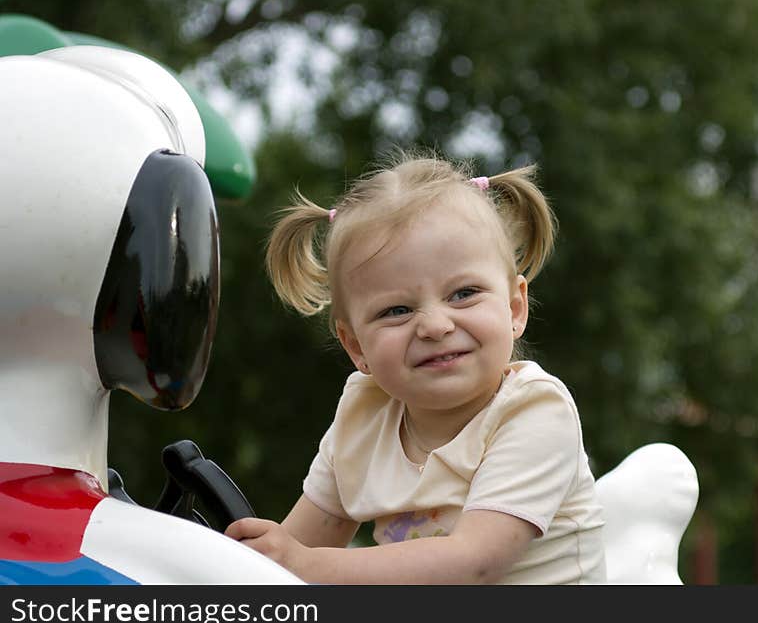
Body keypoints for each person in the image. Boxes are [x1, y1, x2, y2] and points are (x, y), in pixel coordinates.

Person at [225, 151, 606, 584]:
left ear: (515, 308)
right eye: (397, 309)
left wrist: (304, 565)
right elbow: (298, 551)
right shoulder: (362, 418)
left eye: (463, 293)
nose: (435, 325)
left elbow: (474, 562)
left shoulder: (535, 411)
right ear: (355, 346)